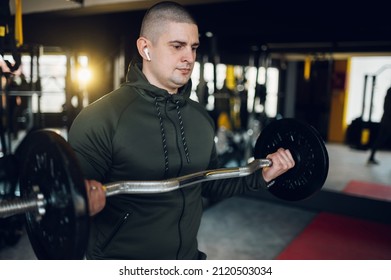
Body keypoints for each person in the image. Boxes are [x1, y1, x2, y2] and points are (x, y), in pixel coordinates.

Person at [68, 1, 295, 260]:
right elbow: (66, 203)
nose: (189, 57)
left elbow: (210, 184)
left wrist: (261, 174)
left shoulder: (199, 118)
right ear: (146, 48)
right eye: (177, 46)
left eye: (193, 47)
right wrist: (80, 202)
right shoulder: (102, 117)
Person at [367, 86, 391, 164]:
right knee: (380, 139)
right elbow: (387, 107)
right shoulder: (390, 91)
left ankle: (371, 156)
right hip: (388, 120)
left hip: (386, 119)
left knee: (380, 139)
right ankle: (371, 157)